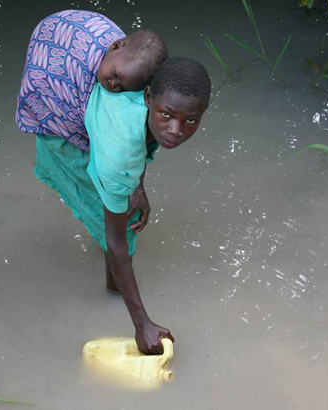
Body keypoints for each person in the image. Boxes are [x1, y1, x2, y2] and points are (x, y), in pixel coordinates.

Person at [17, 56, 212, 355]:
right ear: (148, 98)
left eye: (190, 120)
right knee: (117, 229)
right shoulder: (119, 158)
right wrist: (141, 323)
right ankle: (113, 290)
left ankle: (116, 283)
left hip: (111, 137)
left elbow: (142, 140)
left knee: (119, 213)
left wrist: (139, 186)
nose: (176, 130)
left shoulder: (151, 95)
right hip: (61, 135)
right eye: (167, 115)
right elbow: (117, 241)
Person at [16, 9, 168, 152]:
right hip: (50, 44)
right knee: (60, 148)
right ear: (115, 46)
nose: (113, 84)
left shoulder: (125, 67)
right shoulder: (78, 65)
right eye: (115, 75)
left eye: (122, 88)